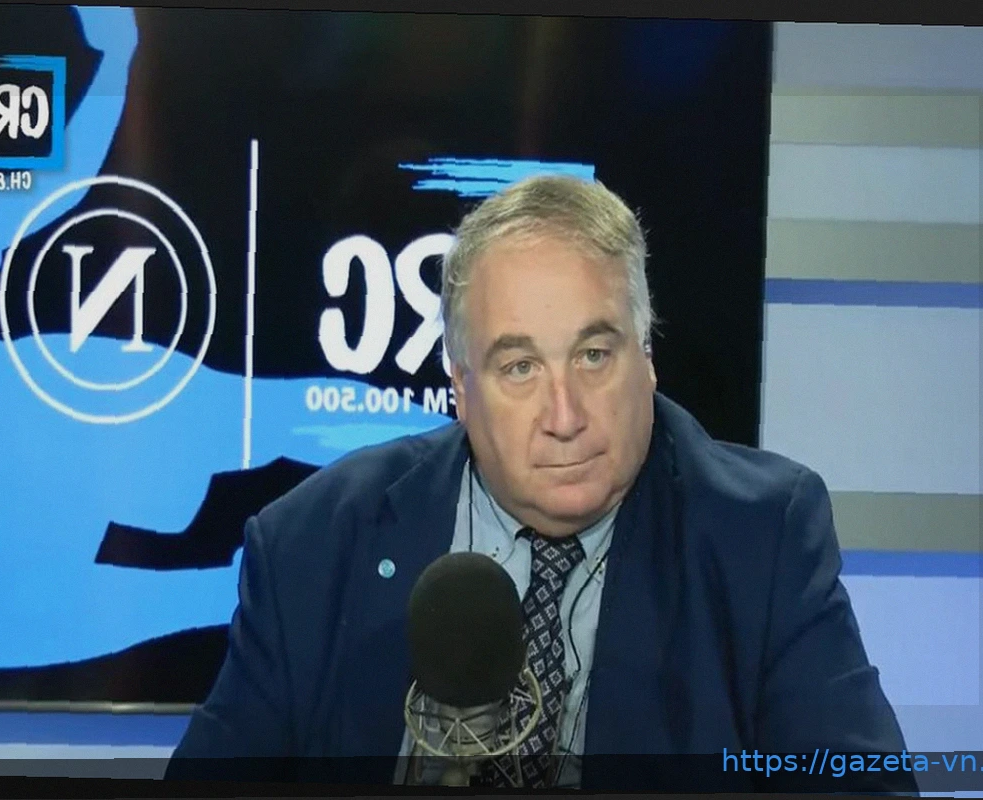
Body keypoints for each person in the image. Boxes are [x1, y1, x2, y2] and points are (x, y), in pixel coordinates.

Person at [165, 175, 915, 793]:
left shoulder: (760, 539)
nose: (565, 416)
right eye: (519, 367)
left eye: (594, 356)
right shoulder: (311, 544)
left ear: (646, 357)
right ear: (461, 389)